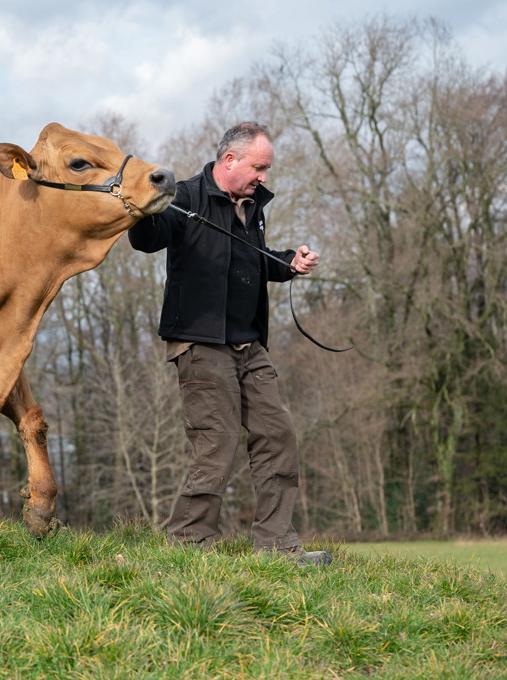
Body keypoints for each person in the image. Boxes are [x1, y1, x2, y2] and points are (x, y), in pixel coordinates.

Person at [128, 121, 331, 566]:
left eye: (267, 169)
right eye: (259, 167)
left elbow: (248, 261)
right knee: (216, 441)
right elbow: (148, 239)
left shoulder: (251, 206)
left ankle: (277, 546)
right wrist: (143, 207)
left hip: (248, 343)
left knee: (278, 436)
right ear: (230, 160)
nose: (264, 176)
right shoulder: (184, 197)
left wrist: (288, 263)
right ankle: (189, 544)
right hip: (199, 343)